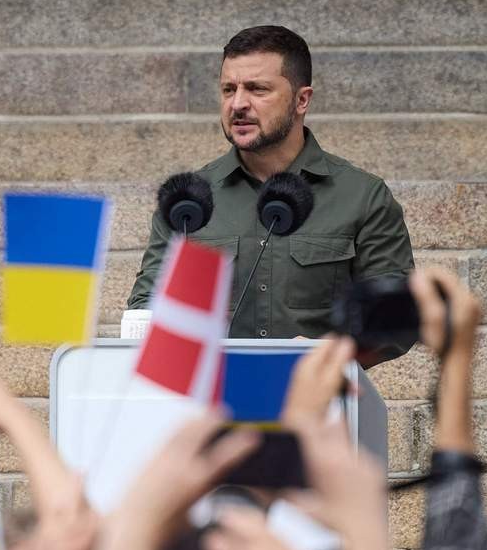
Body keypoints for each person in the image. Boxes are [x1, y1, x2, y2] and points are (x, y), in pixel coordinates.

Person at [127, 25, 414, 353]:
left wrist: (332, 352)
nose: (237, 104)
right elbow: (145, 308)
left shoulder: (363, 196)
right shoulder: (187, 201)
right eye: (228, 89)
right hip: (212, 400)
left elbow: (398, 321)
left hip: (319, 398)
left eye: (257, 89)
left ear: (301, 100)